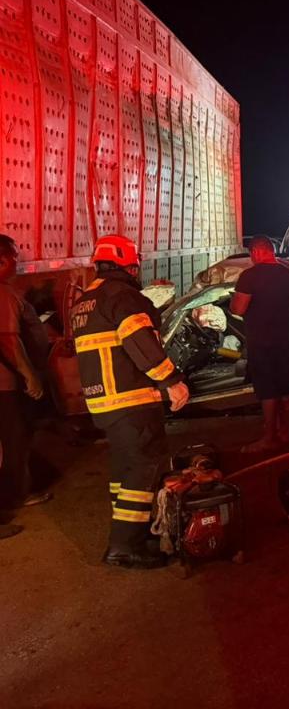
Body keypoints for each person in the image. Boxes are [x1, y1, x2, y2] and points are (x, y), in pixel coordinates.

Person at [71, 235, 190, 568]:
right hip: (131, 398)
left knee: (124, 468)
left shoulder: (86, 299)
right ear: (129, 265)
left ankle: (132, 531)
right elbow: (139, 342)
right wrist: (171, 381)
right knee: (144, 464)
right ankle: (124, 545)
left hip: (104, 403)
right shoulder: (122, 296)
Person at [231, 236, 289, 453]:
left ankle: (270, 437)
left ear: (256, 252)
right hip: (285, 339)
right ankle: (287, 432)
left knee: (268, 389)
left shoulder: (249, 276)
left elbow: (238, 309)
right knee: (285, 385)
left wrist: (234, 302)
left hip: (261, 340)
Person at [0, 236, 51, 541]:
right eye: (14, 257)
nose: (18, 263)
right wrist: (30, 375)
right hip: (4, 385)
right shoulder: (3, 294)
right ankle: (14, 496)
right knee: (13, 441)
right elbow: (9, 339)